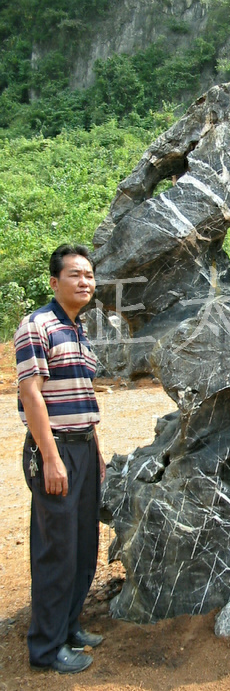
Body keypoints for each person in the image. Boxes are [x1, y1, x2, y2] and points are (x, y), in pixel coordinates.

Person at [14, 243, 106, 674]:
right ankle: (46, 648)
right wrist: (51, 459)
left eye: (89, 275)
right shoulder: (38, 326)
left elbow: (83, 397)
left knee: (84, 545)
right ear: (55, 282)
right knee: (57, 550)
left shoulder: (78, 328)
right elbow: (31, 394)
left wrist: (96, 453)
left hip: (84, 446)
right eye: (76, 275)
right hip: (54, 448)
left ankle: (70, 627)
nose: (85, 282)